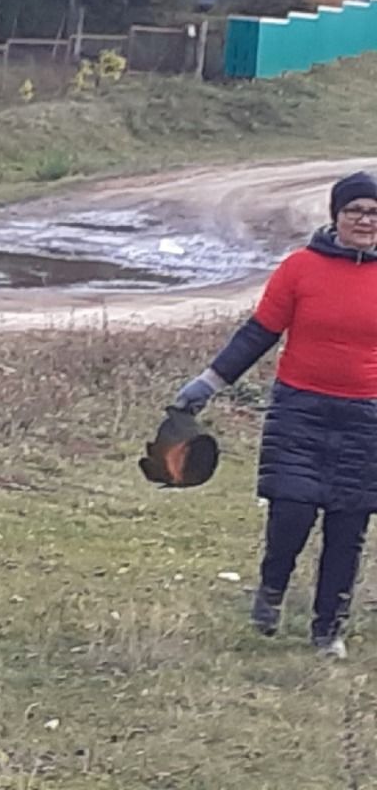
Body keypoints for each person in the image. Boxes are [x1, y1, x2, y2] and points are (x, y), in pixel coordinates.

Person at [172, 171, 377, 659]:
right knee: (292, 508)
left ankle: (328, 629)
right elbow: (258, 333)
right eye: (355, 211)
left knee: (348, 525)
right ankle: (271, 591)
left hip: (367, 417)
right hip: (300, 408)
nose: (366, 220)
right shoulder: (300, 268)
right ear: (335, 217)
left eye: (374, 212)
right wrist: (208, 384)